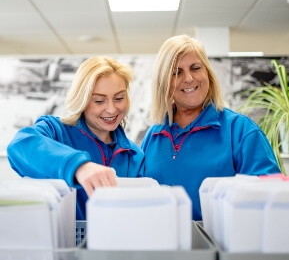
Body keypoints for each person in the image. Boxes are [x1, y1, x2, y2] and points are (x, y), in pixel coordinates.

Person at [141, 34, 281, 221]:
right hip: (161, 244)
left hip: (221, 246)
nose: (189, 78)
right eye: (177, 72)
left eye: (195, 68)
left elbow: (271, 202)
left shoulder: (241, 131)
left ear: (207, 73)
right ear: (164, 83)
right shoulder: (153, 136)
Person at [7, 56, 144, 220]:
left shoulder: (134, 155)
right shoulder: (57, 132)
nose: (111, 109)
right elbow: (20, 145)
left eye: (119, 98)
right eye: (99, 101)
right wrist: (78, 166)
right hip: (65, 243)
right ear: (82, 100)